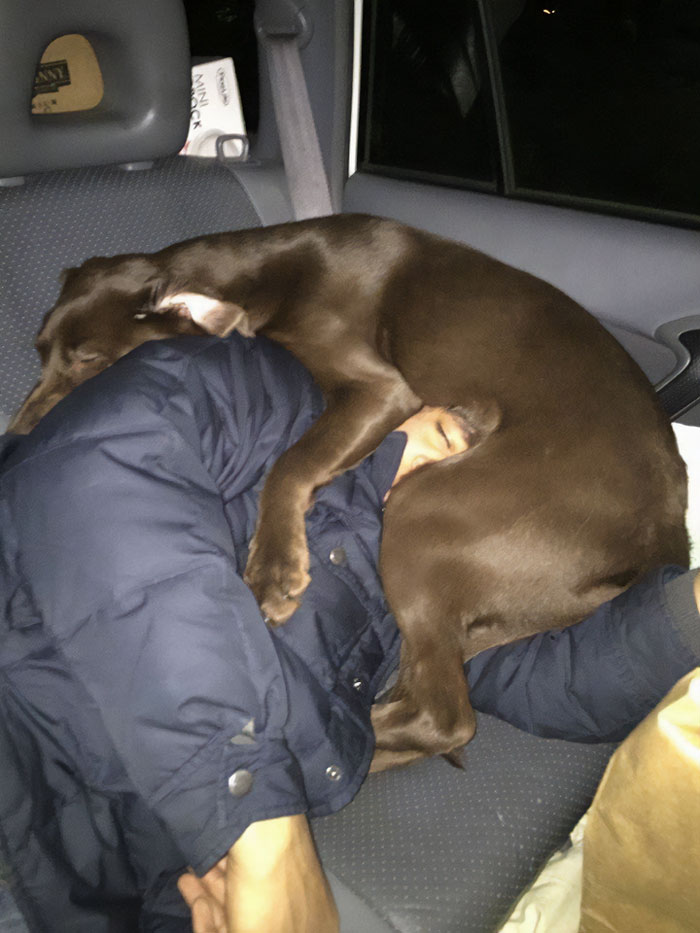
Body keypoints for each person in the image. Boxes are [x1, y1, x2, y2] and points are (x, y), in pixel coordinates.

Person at [0, 333, 698, 933]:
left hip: (124, 880)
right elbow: (95, 482)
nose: (444, 486)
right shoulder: (269, 389)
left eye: (485, 489)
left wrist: (690, 612)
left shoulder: (436, 579)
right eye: (449, 438)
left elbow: (559, 679)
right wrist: (261, 827)